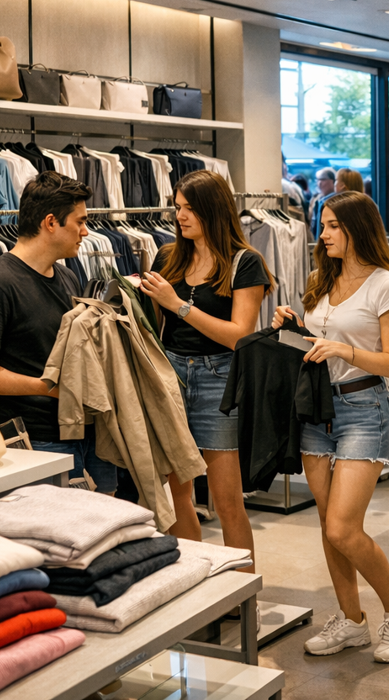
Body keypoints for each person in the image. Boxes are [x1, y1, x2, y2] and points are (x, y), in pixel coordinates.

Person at [268, 191, 389, 663]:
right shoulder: (322, 278)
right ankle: (352, 620)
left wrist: (344, 350)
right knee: (327, 522)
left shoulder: (386, 285)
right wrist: (293, 326)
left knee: (342, 527)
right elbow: (319, 341)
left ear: (358, 228)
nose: (324, 234)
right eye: (323, 225)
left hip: (363, 408)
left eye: (333, 225)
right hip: (318, 409)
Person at [0, 173, 118, 492]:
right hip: (36, 439)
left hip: (85, 428)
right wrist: (47, 387)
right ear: (51, 222)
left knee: (107, 517)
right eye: (80, 222)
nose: (86, 232)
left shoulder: (67, 276)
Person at [140, 170, 273, 566]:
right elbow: (151, 324)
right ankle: (193, 578)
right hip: (171, 374)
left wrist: (178, 305)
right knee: (177, 493)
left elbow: (239, 335)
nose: (180, 216)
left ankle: (244, 590)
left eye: (190, 208)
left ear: (213, 210)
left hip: (221, 378)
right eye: (178, 207)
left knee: (227, 499)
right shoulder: (168, 257)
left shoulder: (244, 263)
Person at [310, 167, 337, 239]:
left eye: (323, 179)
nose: (319, 183)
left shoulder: (337, 201)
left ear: (333, 181)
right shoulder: (316, 199)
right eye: (318, 180)